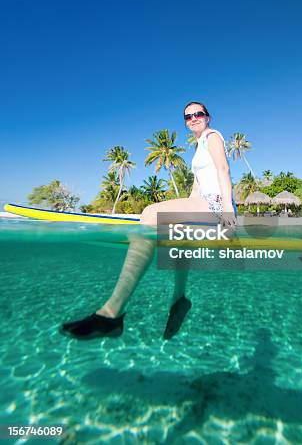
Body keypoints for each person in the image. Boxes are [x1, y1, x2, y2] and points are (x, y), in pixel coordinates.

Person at [61, 101, 236, 340]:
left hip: (216, 206)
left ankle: (111, 313)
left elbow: (223, 169)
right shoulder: (198, 148)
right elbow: (196, 191)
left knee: (150, 214)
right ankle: (179, 298)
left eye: (198, 114)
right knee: (176, 235)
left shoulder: (213, 136)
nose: (193, 118)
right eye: (188, 116)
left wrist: (227, 212)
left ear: (208, 117)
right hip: (204, 205)